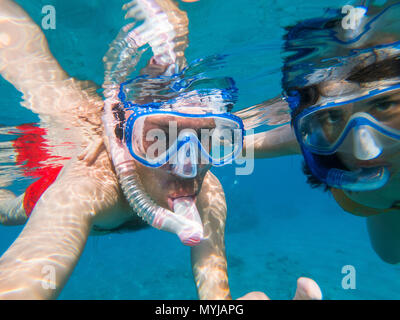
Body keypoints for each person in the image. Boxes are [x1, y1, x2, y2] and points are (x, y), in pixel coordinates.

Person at [0, 0, 321, 300]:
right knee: (7, 212)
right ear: (122, 139)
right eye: (159, 141)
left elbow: (214, 288)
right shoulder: (88, 184)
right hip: (52, 197)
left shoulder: (208, 192)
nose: (187, 167)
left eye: (206, 140)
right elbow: (23, 280)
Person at [243, 0, 400, 264]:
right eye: (333, 115)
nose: (365, 150)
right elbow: (232, 142)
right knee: (390, 255)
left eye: (383, 104)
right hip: (383, 213)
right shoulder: (322, 139)